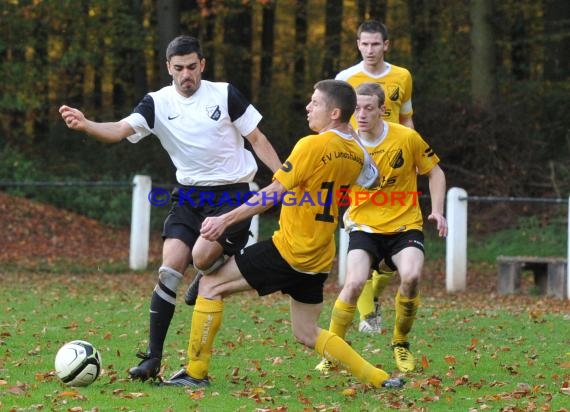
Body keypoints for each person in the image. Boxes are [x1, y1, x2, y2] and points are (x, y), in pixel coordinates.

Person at [59, 35, 282, 382]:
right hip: (189, 196)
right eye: (178, 68)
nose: (185, 75)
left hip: (233, 194)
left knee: (202, 257)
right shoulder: (156, 103)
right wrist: (87, 125)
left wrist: (281, 177)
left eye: (192, 67)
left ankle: (210, 267)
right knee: (169, 268)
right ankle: (152, 359)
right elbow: (119, 130)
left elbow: (257, 139)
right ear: (168, 68)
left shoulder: (224, 94)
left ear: (202, 65)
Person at [161, 79, 404, 389]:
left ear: (334, 113)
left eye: (315, 102)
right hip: (318, 259)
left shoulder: (311, 145)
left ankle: (195, 373)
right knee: (306, 332)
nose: (308, 107)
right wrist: (351, 135)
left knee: (210, 285)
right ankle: (379, 378)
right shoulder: (355, 153)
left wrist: (225, 219)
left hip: (289, 250)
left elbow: (273, 192)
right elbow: (374, 179)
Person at [315, 82, 446, 374]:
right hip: (364, 226)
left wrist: (437, 211)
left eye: (368, 108)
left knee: (411, 276)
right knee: (353, 283)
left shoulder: (406, 137)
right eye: (357, 108)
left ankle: (400, 343)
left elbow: (435, 172)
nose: (360, 114)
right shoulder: (344, 142)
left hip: (404, 225)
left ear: (383, 111)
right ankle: (333, 350)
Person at [335, 20, 415, 333]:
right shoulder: (345, 79)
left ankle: (375, 293)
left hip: (394, 168)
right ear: (357, 45)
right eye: (364, 44)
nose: (370, 50)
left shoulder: (402, 76)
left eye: (375, 44)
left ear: (386, 45)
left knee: (391, 252)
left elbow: (407, 118)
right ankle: (369, 317)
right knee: (361, 233)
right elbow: (333, 123)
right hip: (356, 166)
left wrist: (413, 157)